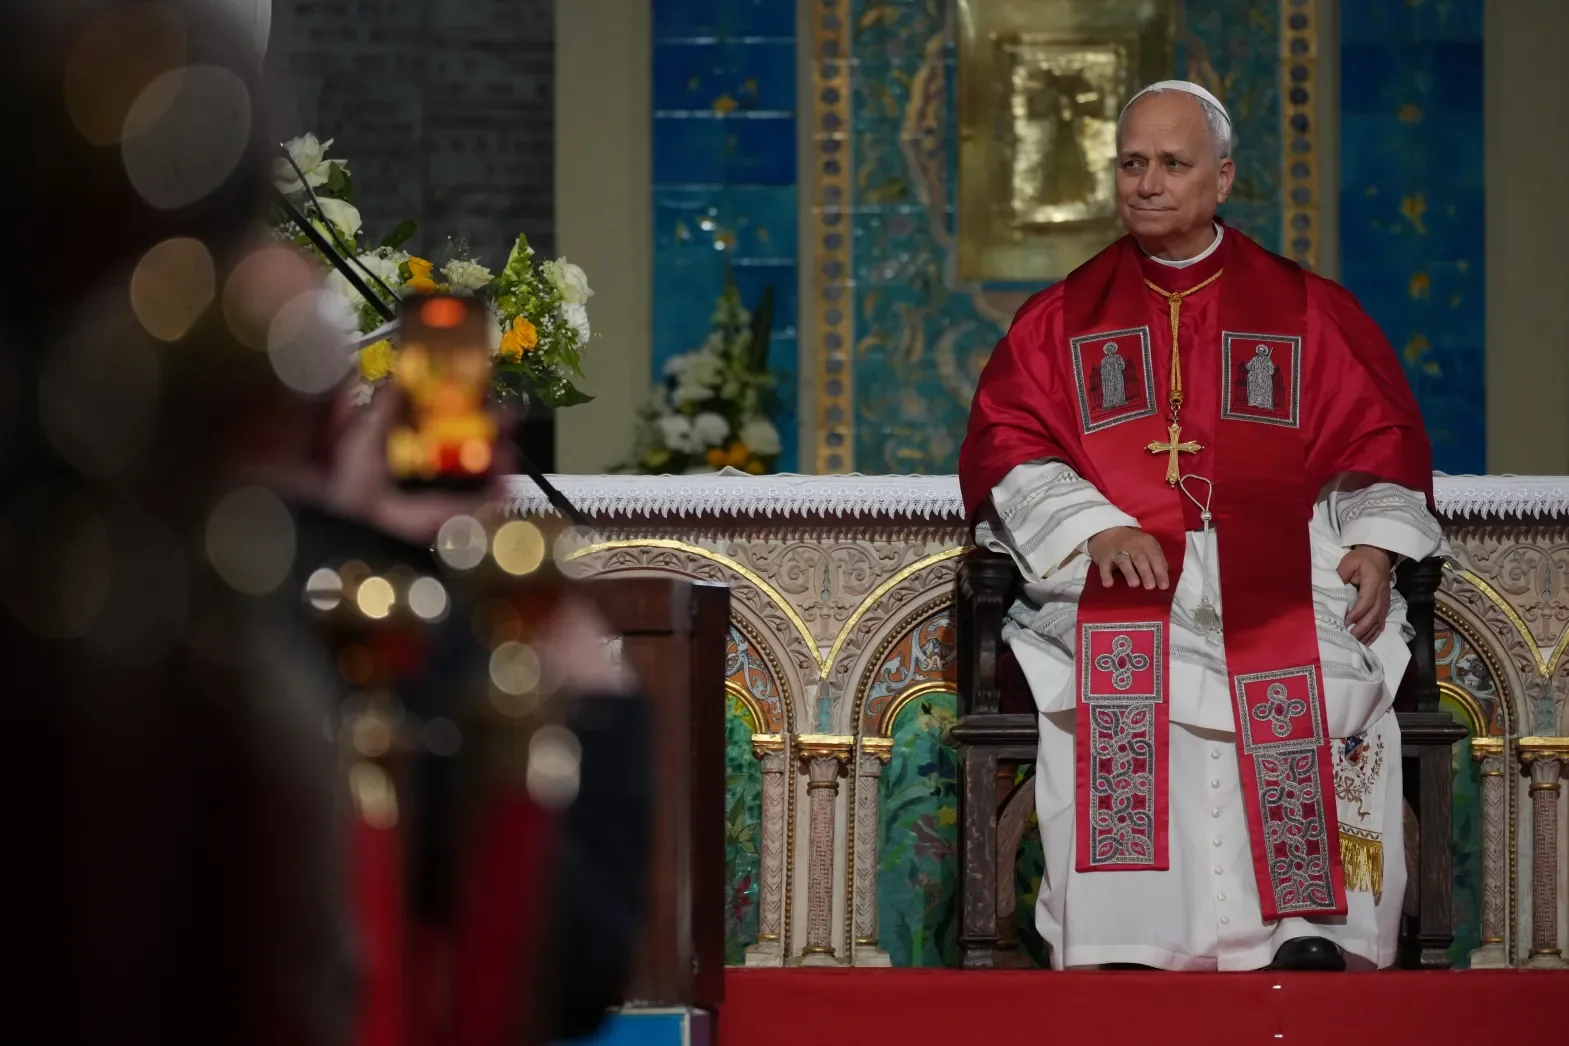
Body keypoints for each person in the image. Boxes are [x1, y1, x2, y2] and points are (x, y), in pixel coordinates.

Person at [958, 81, 1442, 973]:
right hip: (1123, 566)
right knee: (1128, 667)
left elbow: (1379, 439)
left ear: (1221, 178)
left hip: (1282, 562)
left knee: (1312, 668)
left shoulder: (1306, 310)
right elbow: (1007, 440)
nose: (1146, 183)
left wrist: (1375, 543)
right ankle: (1129, 936)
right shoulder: (1062, 317)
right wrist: (1095, 528)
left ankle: (1309, 928)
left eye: (1172, 164)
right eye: (1131, 163)